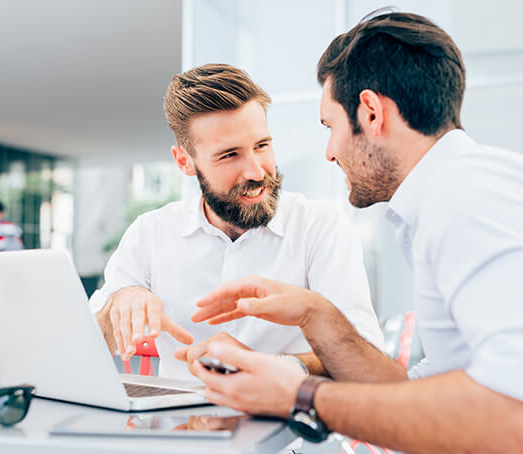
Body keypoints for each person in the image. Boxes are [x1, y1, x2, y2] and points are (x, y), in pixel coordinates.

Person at [185, 11, 523, 452]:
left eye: (331, 127)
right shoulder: (447, 196)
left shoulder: (465, 195)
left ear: (370, 113)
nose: (328, 153)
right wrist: (315, 315)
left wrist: (301, 397)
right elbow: (407, 393)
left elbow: (509, 414)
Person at [90, 63, 384, 380]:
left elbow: (365, 355)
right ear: (184, 162)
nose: (257, 172)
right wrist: (118, 304)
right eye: (229, 155)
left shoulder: (319, 227)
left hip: (291, 425)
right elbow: (85, 347)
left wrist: (269, 365)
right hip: (180, 427)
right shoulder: (149, 234)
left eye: (262, 145)